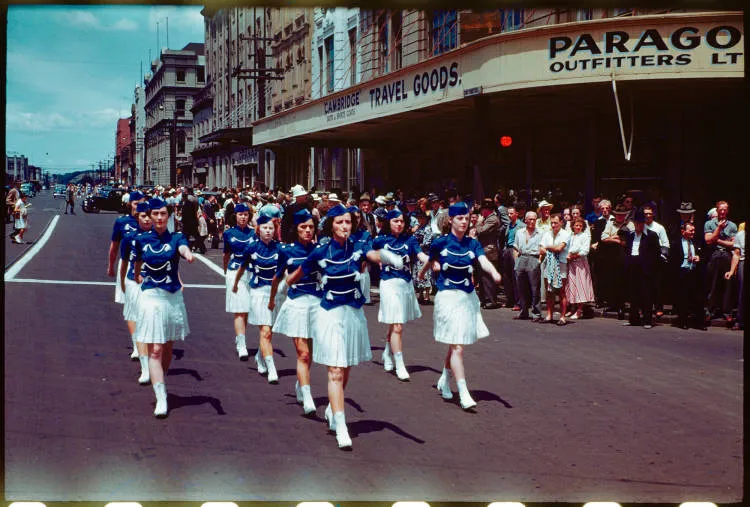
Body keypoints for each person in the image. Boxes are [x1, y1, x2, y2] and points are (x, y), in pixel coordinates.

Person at [284, 204, 403, 449]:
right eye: (339, 222)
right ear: (331, 225)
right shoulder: (321, 251)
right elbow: (297, 273)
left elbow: (373, 255)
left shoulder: (359, 246)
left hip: (353, 313)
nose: (345, 226)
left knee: (346, 366)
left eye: (348, 222)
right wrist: (288, 281)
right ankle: (341, 424)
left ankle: (331, 408)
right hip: (329, 314)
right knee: (335, 371)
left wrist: (389, 258)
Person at [420, 201, 501, 410]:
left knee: (457, 343)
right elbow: (430, 261)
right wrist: (423, 272)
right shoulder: (440, 242)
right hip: (447, 297)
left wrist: (493, 272)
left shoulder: (472, 244)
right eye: (460, 218)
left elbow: (482, 261)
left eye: (467, 218)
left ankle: (445, 379)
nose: (465, 222)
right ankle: (463, 392)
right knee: (456, 345)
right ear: (451, 220)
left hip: (467, 298)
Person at [132, 198, 195, 417]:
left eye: (163, 214)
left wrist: (188, 255)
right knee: (156, 349)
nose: (159, 218)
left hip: (172, 297)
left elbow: (183, 248)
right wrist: (138, 275)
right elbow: (137, 263)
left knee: (167, 346)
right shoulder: (141, 239)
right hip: (151, 296)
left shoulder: (176, 237)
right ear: (149, 216)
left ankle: (161, 378)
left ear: (169, 216)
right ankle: (161, 397)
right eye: (155, 214)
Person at [271, 208, 321, 414]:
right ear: (296, 229)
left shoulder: (319, 250)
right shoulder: (286, 250)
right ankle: (308, 397)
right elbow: (277, 277)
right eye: (303, 227)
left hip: (317, 305)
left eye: (311, 227)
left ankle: (301, 384)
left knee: (311, 354)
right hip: (296, 304)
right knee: (303, 353)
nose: (308, 231)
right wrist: (272, 299)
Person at [373, 208, 429, 381]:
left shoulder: (410, 240)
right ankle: (400, 364)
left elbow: (420, 255)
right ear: (389, 223)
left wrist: (432, 261)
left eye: (401, 221)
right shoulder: (380, 240)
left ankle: (387, 352)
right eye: (395, 221)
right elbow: (369, 255)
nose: (399, 224)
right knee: (397, 325)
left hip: (405, 285)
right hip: (388, 283)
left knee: (395, 322)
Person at [233, 214, 285, 383]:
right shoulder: (252, 248)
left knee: (269, 332)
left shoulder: (280, 249)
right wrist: (235, 283)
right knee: (265, 331)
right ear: (258, 230)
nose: (268, 231)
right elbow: (242, 267)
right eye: (265, 228)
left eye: (271, 228)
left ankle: (260, 357)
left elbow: (287, 270)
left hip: (275, 293)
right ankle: (272, 368)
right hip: (258, 291)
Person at [119, 201, 154, 384]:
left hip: (155, 284)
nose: (147, 219)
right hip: (134, 282)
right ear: (136, 217)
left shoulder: (160, 237)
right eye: (143, 216)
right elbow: (124, 263)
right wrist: (123, 284)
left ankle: (151, 360)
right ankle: (145, 367)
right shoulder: (129, 238)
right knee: (137, 320)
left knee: (152, 323)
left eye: (150, 215)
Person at [108, 191, 146, 337]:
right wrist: (111, 266)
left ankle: (144, 338)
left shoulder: (150, 220)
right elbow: (114, 247)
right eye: (136, 204)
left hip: (147, 267)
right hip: (128, 264)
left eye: (142, 204)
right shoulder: (122, 222)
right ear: (130, 204)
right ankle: (137, 342)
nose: (139, 207)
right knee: (132, 304)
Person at [223, 203, 256, 361]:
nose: (243, 217)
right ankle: (242, 345)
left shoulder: (254, 233)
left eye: (246, 214)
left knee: (247, 308)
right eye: (240, 214)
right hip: (235, 271)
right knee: (239, 309)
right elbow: (226, 254)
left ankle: (240, 336)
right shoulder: (229, 233)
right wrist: (225, 272)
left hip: (250, 272)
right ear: (235, 216)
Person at [622, 210, 661, 329]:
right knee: (633, 294)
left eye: (640, 223)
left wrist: (650, 267)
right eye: (636, 223)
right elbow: (627, 250)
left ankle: (647, 320)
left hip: (645, 268)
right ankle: (633, 319)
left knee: (646, 294)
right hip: (633, 265)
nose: (638, 225)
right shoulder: (630, 235)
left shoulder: (651, 235)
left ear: (644, 223)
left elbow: (656, 253)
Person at [704, 201, 737, 323]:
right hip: (714, 255)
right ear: (716, 210)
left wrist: (717, 240)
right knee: (713, 284)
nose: (722, 211)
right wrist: (718, 228)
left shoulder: (732, 226)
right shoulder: (709, 224)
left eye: (725, 209)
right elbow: (708, 240)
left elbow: (733, 243)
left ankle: (727, 312)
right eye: (720, 209)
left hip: (727, 255)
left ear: (727, 211)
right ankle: (709, 311)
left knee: (728, 284)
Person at [670, 222, 707, 330]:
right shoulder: (676, 244)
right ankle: (683, 321)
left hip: (694, 272)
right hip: (682, 272)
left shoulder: (696, 242)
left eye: (694, 230)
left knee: (698, 299)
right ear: (683, 231)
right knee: (683, 299)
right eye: (691, 230)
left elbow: (704, 255)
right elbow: (673, 261)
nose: (693, 232)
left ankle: (699, 323)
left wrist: (699, 258)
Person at [540, 214, 571, 324]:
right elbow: (541, 250)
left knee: (561, 291)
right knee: (549, 291)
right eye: (551, 223)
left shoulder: (566, 234)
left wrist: (548, 247)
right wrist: (549, 249)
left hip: (560, 264)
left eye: (555, 223)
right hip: (548, 264)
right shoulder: (547, 234)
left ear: (561, 222)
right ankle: (549, 315)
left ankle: (562, 317)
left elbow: (559, 248)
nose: (553, 225)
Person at [513, 210, 543, 320]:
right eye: (530, 219)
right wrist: (516, 261)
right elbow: (515, 248)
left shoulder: (540, 233)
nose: (532, 221)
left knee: (535, 288)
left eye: (534, 219)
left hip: (533, 258)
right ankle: (523, 311)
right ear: (525, 220)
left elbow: (542, 249)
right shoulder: (519, 232)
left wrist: (539, 261)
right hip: (521, 258)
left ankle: (536, 313)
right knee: (521, 287)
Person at [643, 205, 670, 318]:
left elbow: (665, 243)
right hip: (643, 258)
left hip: (656, 259)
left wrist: (663, 256)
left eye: (650, 213)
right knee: (644, 286)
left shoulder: (659, 228)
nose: (648, 215)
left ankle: (659, 308)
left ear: (653, 214)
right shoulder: (640, 226)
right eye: (645, 214)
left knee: (656, 285)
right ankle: (644, 308)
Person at [474, 198, 502, 309]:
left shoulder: (492, 219)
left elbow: (481, 231)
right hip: (484, 249)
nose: (481, 212)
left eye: (483, 210)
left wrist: (479, 222)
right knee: (483, 277)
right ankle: (484, 299)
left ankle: (491, 300)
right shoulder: (488, 218)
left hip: (489, 250)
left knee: (487, 277)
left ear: (487, 210)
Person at [565, 217, 595, 320]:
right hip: (571, 263)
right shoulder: (570, 236)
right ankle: (572, 308)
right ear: (573, 226)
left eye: (580, 226)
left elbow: (585, 251)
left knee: (580, 286)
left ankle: (579, 310)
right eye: (576, 225)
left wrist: (574, 256)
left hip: (580, 263)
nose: (578, 227)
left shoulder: (585, 236)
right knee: (571, 285)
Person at [411, 208, 435, 305]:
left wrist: (418, 245)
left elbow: (428, 241)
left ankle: (427, 296)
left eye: (421, 218)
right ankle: (420, 294)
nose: (419, 220)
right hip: (418, 254)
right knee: (418, 274)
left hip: (425, 253)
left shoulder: (428, 229)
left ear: (425, 219)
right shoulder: (419, 229)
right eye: (418, 218)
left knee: (427, 274)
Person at [724, 223, 744, 331]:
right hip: (743, 262)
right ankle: (740, 320)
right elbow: (736, 254)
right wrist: (731, 270)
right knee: (742, 293)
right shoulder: (740, 235)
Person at [501, 206, 521, 310]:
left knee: (515, 276)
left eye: (511, 213)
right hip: (507, 250)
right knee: (506, 277)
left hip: (515, 250)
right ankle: (510, 300)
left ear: (516, 214)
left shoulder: (521, 225)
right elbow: (506, 237)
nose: (509, 215)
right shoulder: (509, 225)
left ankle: (518, 302)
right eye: (508, 213)